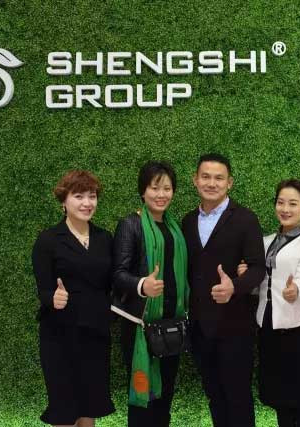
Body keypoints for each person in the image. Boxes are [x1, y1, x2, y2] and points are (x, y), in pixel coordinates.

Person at [181, 153, 265, 427]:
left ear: (229, 183)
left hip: (235, 327)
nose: (212, 183)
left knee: (238, 397)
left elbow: (258, 268)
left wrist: (235, 287)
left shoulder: (245, 219)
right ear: (195, 180)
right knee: (214, 395)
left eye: (219, 178)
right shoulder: (187, 221)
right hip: (200, 328)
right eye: (205, 177)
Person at [31, 170, 115, 427]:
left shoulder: (104, 238)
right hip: (60, 336)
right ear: (63, 201)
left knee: (90, 407)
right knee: (65, 409)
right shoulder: (48, 240)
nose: (87, 203)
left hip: (95, 335)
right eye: (78, 196)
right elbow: (43, 290)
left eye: (92, 196)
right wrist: (52, 298)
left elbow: (112, 283)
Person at [238, 179, 300, 427]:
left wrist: (295, 289)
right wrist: (246, 276)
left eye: (293, 204)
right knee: (279, 395)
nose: (285, 209)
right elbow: (260, 284)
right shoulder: (264, 241)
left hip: (298, 327)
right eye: (281, 202)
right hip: (267, 324)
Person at [112, 161, 189, 427]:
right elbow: (118, 274)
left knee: (165, 397)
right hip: (140, 327)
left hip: (171, 325)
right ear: (142, 191)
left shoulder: (174, 228)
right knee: (144, 400)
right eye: (155, 188)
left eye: (167, 188)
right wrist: (142, 285)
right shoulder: (130, 224)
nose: (161, 194)